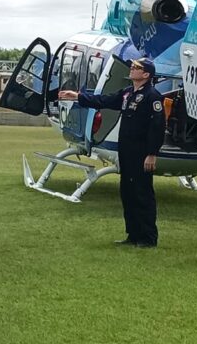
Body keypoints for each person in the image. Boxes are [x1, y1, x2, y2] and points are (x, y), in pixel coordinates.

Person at [58, 58, 166, 247]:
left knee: (142, 193)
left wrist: (152, 153)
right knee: (128, 192)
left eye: (137, 67)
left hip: (141, 153)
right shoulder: (128, 93)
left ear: (146, 74)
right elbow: (104, 100)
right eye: (132, 66)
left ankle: (148, 237)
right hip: (126, 151)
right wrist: (78, 96)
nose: (132, 68)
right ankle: (133, 234)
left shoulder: (152, 96)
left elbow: (157, 127)